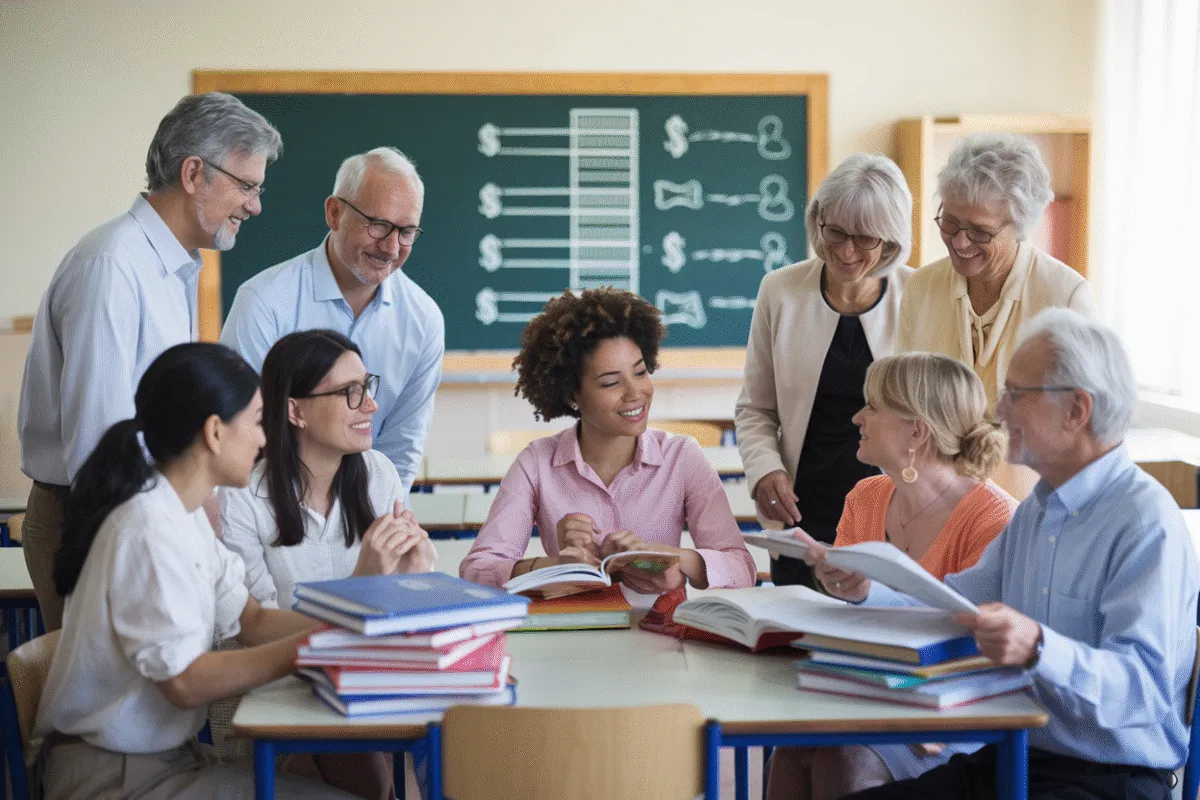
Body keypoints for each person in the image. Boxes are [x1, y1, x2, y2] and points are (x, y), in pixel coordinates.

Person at [824, 309, 1197, 800]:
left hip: (1109, 778)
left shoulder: (1146, 522)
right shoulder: (1037, 511)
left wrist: (1040, 646)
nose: (998, 410)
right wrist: (867, 589)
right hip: (1018, 756)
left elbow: (1142, 692)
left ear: (1077, 410)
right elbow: (956, 605)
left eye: (1017, 395)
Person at [35, 343, 358, 800]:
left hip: (162, 760)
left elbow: (253, 620)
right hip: (111, 777)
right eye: (257, 421)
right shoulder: (148, 528)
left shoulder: (181, 514)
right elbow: (185, 682)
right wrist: (314, 646)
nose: (266, 438)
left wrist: (355, 627)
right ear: (214, 432)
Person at [18, 92, 281, 631]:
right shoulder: (113, 266)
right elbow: (101, 443)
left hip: (145, 511)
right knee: (111, 707)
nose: (255, 205)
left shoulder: (173, 266)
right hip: (99, 516)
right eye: (247, 185)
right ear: (193, 174)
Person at [765, 352, 1015, 800]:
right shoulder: (866, 496)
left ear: (916, 431)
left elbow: (988, 649)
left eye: (872, 407)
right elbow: (844, 615)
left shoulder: (992, 518)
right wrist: (834, 583)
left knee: (841, 760)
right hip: (866, 692)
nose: (858, 417)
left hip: (951, 710)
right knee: (791, 747)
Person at [221, 329, 436, 800]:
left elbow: (403, 614)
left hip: (370, 675)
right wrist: (361, 588)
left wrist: (418, 578)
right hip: (281, 682)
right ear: (295, 410)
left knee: (429, 756)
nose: (371, 406)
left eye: (367, 386)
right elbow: (253, 627)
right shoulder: (243, 495)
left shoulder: (378, 473)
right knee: (370, 774)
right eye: (349, 393)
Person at [459, 288, 756, 595]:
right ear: (571, 395)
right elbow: (476, 570)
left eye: (640, 372)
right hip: (571, 632)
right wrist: (553, 567)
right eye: (611, 382)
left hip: (658, 634)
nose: (634, 392)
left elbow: (741, 568)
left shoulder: (682, 457)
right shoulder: (537, 462)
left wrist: (671, 560)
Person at [735, 152, 914, 588]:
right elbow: (756, 408)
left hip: (894, 515)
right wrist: (764, 471)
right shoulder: (780, 291)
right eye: (834, 232)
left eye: (864, 238)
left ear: (890, 241)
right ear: (818, 221)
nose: (846, 251)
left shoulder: (920, 295)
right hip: (801, 511)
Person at [222, 146, 444, 496]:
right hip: (270, 509)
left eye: (406, 232)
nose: (390, 246)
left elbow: (401, 449)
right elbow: (240, 431)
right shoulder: (264, 302)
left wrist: (374, 524)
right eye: (378, 225)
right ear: (334, 213)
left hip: (365, 515)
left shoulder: (424, 319)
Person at [897, 133, 1095, 411]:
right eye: (949, 222)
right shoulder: (921, 288)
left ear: (1020, 227)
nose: (960, 242)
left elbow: (1076, 420)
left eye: (980, 231)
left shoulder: (1065, 297)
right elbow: (903, 403)